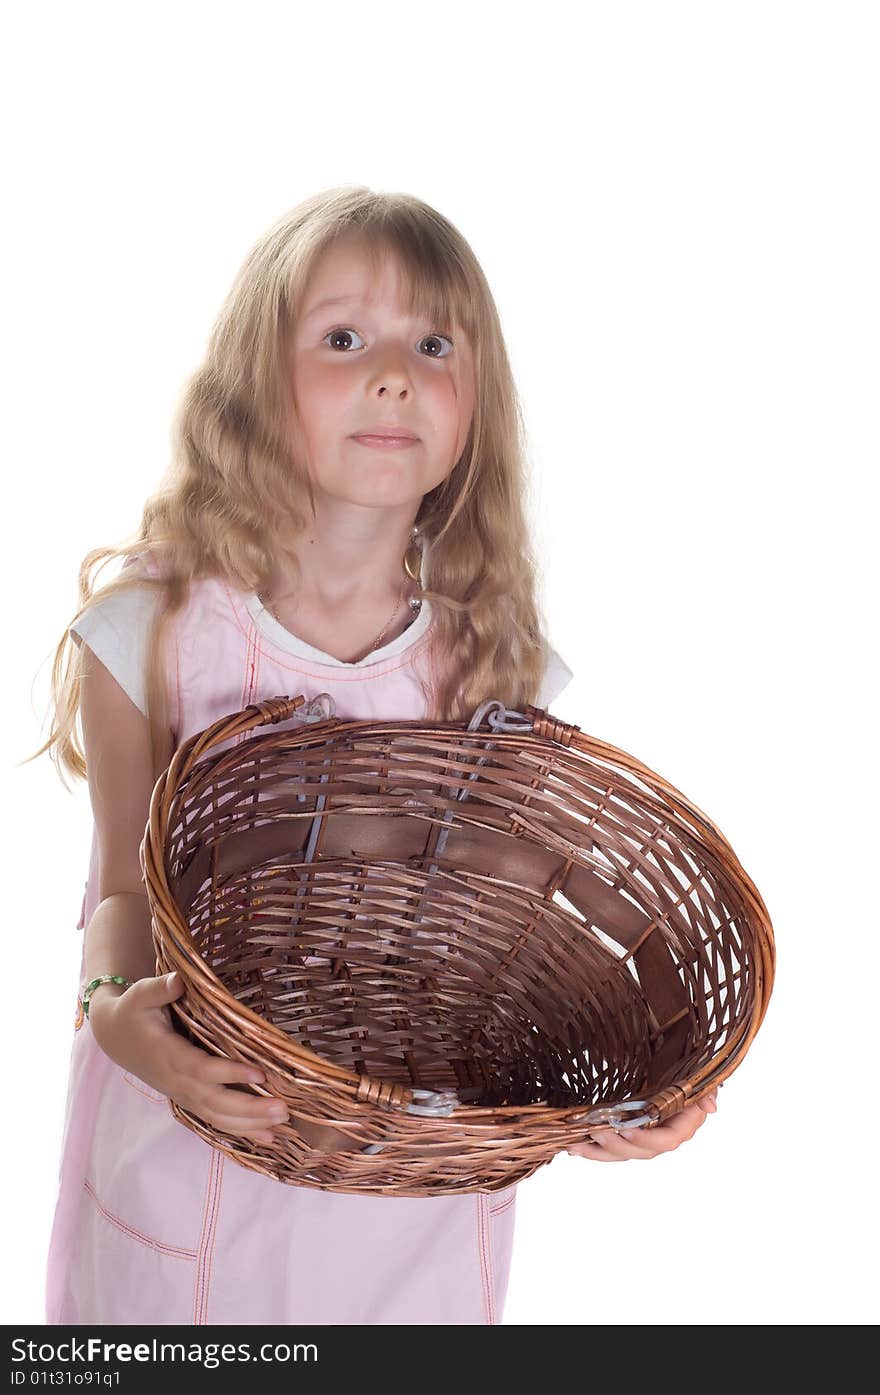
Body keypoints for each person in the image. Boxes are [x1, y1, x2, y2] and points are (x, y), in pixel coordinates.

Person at [30, 187, 716, 1326]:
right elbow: (117, 892)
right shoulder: (148, 632)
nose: (393, 373)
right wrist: (113, 1014)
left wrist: (640, 1081)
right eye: (344, 338)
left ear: (473, 404)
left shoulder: (490, 668)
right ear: (254, 384)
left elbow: (513, 951)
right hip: (192, 1160)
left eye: (433, 344)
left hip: (408, 1216)